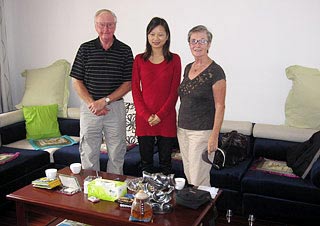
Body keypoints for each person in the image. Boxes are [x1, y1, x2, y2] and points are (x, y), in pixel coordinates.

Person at [70, 9, 133, 174]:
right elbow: (76, 81)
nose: (106, 29)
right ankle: (91, 190)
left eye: (110, 24)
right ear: (95, 26)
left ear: (115, 26)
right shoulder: (85, 49)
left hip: (115, 108)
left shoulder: (125, 50)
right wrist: (93, 103)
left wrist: (104, 101)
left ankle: (114, 191)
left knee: (117, 152)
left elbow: (128, 83)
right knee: (89, 152)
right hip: (90, 109)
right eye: (102, 25)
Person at [177, 25, 226, 186]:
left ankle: (206, 210)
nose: (197, 45)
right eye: (193, 41)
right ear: (189, 44)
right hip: (183, 130)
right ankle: (197, 210)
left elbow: (220, 106)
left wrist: (214, 136)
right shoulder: (188, 68)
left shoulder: (216, 72)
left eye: (202, 41)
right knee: (190, 176)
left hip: (202, 133)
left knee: (199, 179)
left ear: (209, 44)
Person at [132, 17, 181, 175]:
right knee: (146, 164)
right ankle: (147, 198)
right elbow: (135, 90)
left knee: (166, 164)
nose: (156, 38)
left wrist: (160, 115)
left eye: (160, 34)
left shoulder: (174, 60)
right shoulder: (139, 59)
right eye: (152, 34)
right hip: (144, 119)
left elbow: (175, 92)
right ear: (147, 36)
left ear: (167, 36)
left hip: (166, 118)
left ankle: (165, 198)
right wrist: (146, 115)